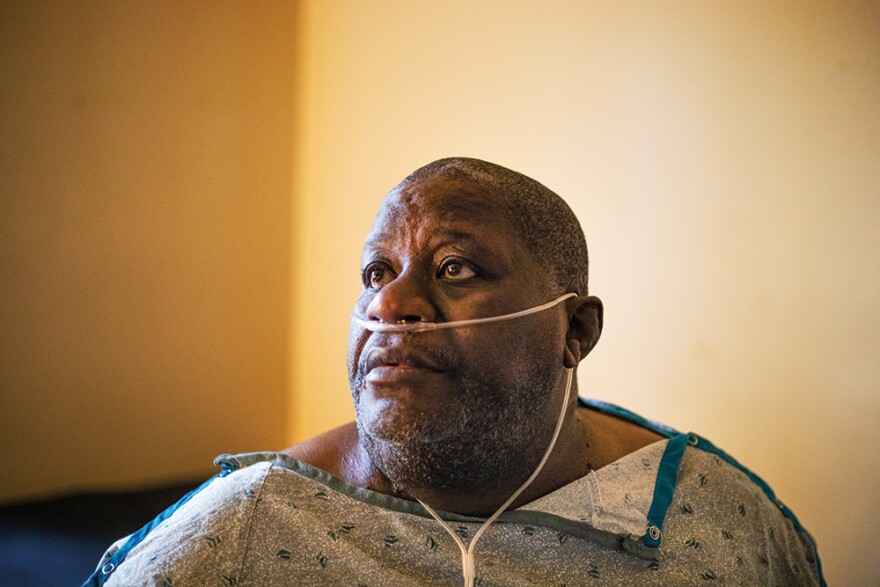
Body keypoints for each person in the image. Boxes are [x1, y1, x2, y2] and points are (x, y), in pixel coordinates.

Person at [83, 158, 824, 586]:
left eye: (453, 267)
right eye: (376, 271)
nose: (393, 303)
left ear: (575, 331)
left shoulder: (720, 529)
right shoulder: (242, 535)